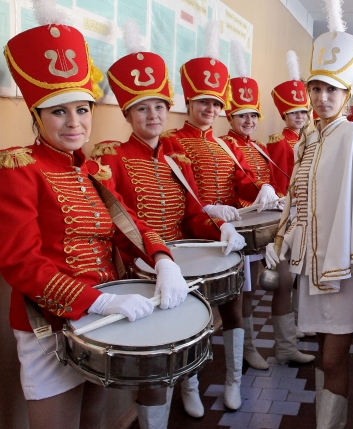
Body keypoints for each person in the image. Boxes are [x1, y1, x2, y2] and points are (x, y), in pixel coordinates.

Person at [1, 22, 185, 429]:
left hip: (106, 316)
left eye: (82, 110)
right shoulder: (19, 168)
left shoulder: (91, 171)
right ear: (37, 115)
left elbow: (128, 224)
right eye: (59, 111)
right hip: (51, 323)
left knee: (94, 418)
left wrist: (162, 258)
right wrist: (96, 301)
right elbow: (19, 262)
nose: (74, 123)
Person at [264, 14, 353, 427]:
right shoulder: (308, 138)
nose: (322, 97)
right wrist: (282, 240)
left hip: (344, 264)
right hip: (314, 264)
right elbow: (299, 199)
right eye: (316, 88)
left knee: (333, 358)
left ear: (347, 94)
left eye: (332, 89)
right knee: (323, 355)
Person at [93, 49, 246, 424]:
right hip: (141, 268)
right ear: (127, 114)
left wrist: (221, 227)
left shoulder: (177, 158)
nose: (153, 115)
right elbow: (118, 222)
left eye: (159, 107)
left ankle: (191, 386)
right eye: (142, 108)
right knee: (154, 361)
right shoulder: (110, 157)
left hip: (182, 263)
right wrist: (156, 259)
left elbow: (193, 215)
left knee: (189, 334)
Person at [157, 48, 252, 417]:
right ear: (189, 103)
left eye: (215, 103)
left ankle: (233, 381)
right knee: (191, 315)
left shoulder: (225, 143)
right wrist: (207, 209)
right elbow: (175, 190)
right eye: (202, 102)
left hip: (227, 237)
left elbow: (242, 179)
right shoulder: (171, 140)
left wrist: (261, 188)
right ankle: (190, 386)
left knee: (234, 308)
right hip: (193, 237)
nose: (210, 109)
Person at [221, 72, 315, 371]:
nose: (249, 120)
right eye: (242, 115)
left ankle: (286, 347)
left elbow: (273, 181)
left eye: (253, 115)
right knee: (246, 293)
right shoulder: (225, 145)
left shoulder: (259, 146)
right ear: (230, 116)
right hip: (244, 229)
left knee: (285, 280)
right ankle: (248, 350)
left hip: (270, 225)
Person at [268, 50, 309, 192]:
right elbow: (279, 181)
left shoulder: (306, 139)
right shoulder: (280, 142)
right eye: (293, 112)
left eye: (303, 112)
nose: (299, 116)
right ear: (284, 115)